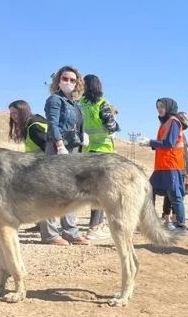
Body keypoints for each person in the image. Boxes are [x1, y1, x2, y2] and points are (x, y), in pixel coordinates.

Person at [8, 99, 67, 245]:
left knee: (45, 200)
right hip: (38, 167)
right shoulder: (33, 122)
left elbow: (46, 146)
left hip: (42, 168)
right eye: (11, 114)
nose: (13, 116)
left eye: (15, 113)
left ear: (23, 111)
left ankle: (51, 233)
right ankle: (42, 225)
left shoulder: (34, 126)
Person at [43, 66, 89, 245]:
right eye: (65, 78)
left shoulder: (74, 103)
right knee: (52, 191)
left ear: (78, 82)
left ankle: (70, 231)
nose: (68, 82)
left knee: (72, 190)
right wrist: (59, 144)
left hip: (73, 149)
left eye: (72, 80)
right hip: (59, 148)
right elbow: (52, 123)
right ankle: (50, 234)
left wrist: (82, 136)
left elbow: (76, 124)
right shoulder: (55, 99)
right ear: (58, 80)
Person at [79, 74, 119, 241]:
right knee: (102, 192)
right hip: (103, 151)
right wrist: (115, 122)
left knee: (90, 191)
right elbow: (111, 126)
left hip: (86, 151)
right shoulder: (102, 104)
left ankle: (93, 226)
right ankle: (94, 227)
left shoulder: (79, 103)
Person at [149, 98, 186, 230]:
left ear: (169, 107)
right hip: (161, 165)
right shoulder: (164, 123)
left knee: (174, 194)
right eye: (158, 107)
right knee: (149, 188)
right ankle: (150, 220)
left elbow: (169, 143)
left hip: (170, 164)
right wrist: (151, 144)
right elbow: (162, 142)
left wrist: (150, 142)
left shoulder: (174, 122)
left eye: (162, 106)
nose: (159, 109)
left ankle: (181, 224)